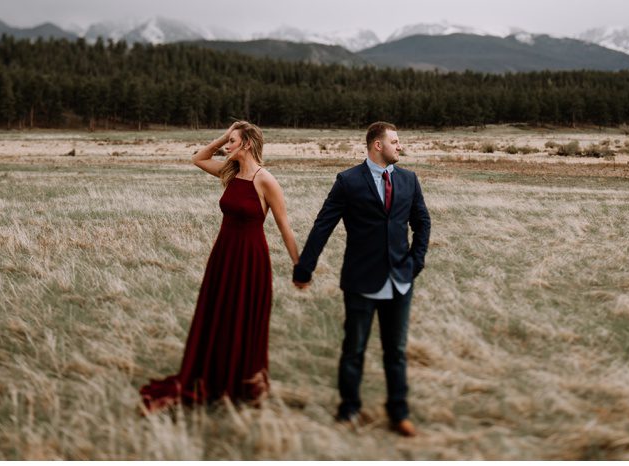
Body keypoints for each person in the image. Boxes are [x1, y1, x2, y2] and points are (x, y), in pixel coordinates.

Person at [140, 121, 300, 412]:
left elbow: (285, 228)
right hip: (223, 256)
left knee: (242, 318)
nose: (227, 147)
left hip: (251, 259)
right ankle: (213, 375)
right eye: (228, 142)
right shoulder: (230, 173)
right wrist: (224, 135)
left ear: (247, 145)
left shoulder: (266, 181)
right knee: (218, 315)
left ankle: (241, 384)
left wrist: (299, 267)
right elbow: (198, 159)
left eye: (233, 142)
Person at [293, 122, 431, 437]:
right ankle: (349, 410)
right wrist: (305, 268)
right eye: (395, 142)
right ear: (377, 146)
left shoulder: (409, 180)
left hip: (400, 280)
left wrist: (415, 263)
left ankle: (399, 413)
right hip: (360, 280)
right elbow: (323, 225)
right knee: (353, 349)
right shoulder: (348, 181)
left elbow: (422, 222)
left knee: (395, 350)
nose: (400, 147)